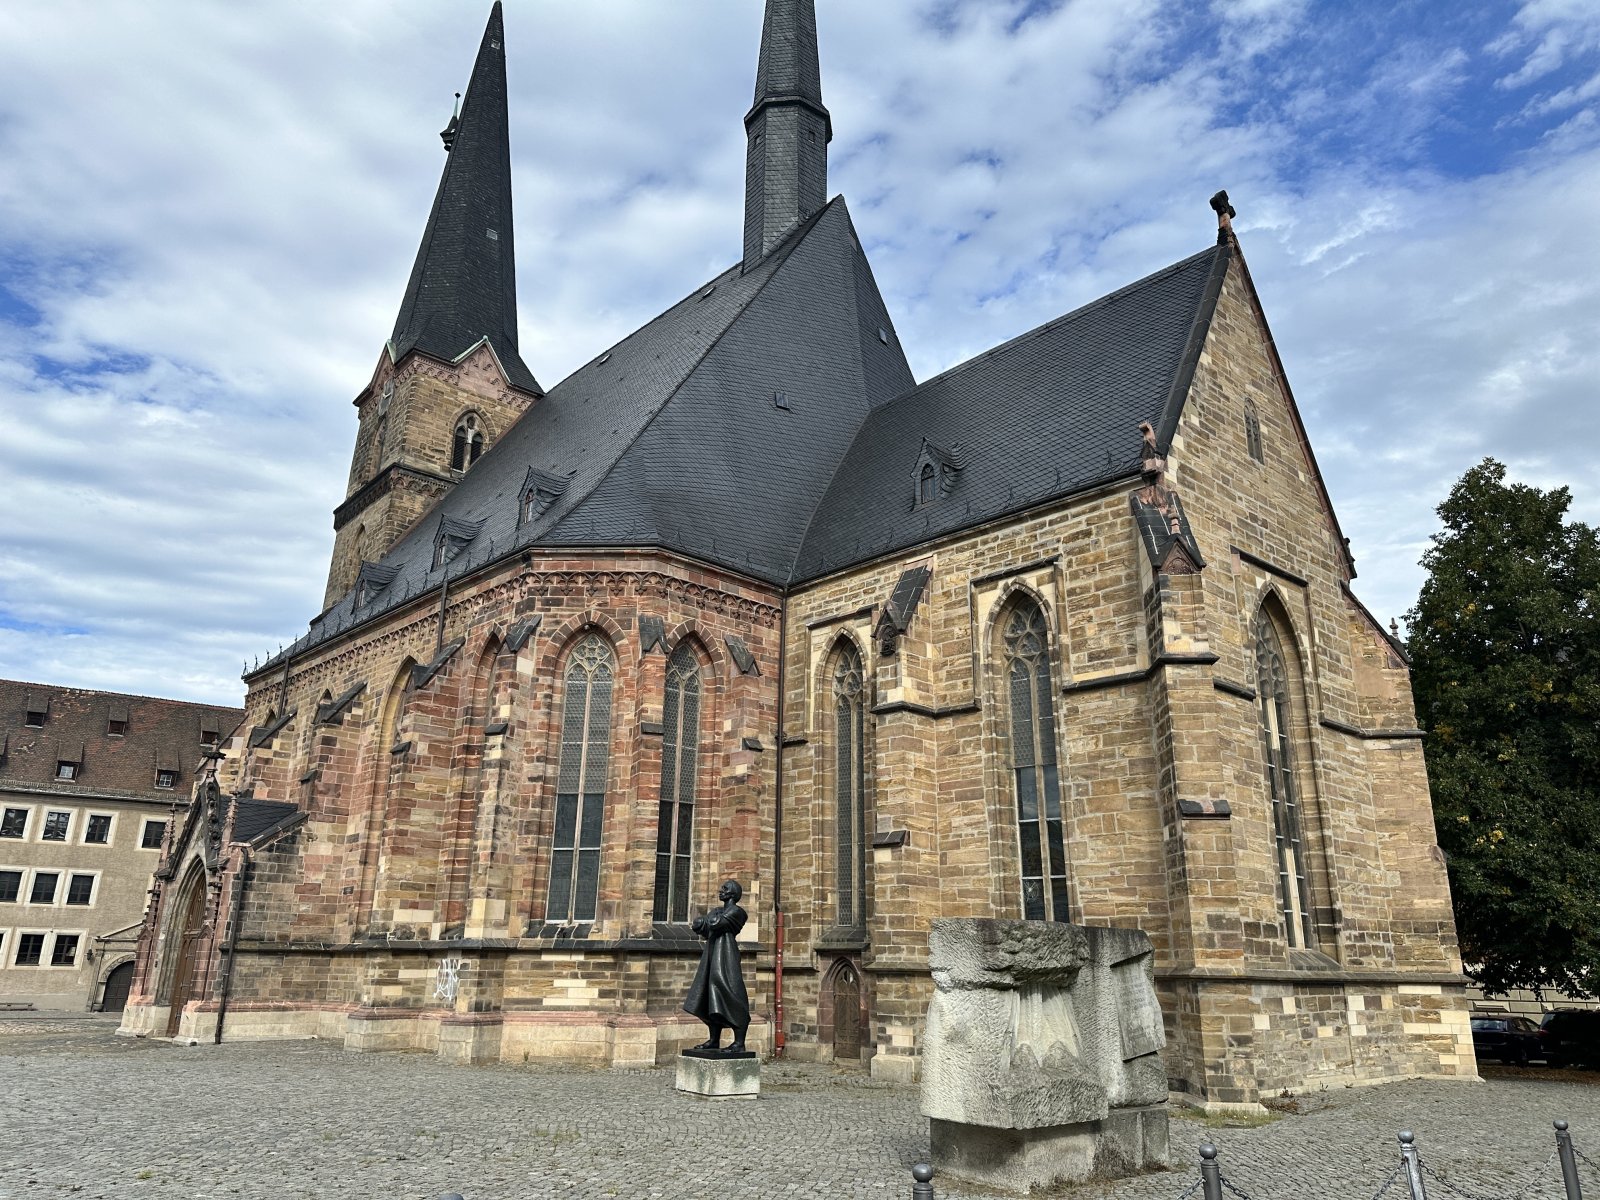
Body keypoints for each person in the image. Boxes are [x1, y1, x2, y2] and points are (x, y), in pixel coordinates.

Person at [683, 879, 751, 1053]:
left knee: (730, 990)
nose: (721, 891)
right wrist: (703, 923)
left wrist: (707, 921)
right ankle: (714, 1039)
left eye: (725, 889)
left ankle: (739, 1042)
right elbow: (704, 926)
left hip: (726, 954)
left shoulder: (737, 911)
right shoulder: (718, 911)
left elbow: (715, 924)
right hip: (713, 953)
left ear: (733, 893)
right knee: (710, 993)